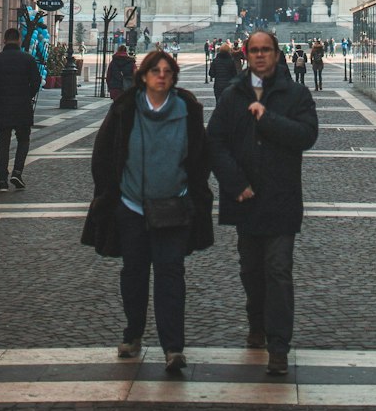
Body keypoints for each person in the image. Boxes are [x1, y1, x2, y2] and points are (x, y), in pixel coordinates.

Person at [88, 49, 213, 373]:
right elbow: (104, 154)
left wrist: (194, 195)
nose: (161, 76)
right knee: (134, 273)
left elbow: (200, 157)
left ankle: (173, 347)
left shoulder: (187, 110)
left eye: (167, 71)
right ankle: (133, 333)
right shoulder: (126, 109)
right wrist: (109, 196)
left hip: (173, 205)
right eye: (155, 70)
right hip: (131, 207)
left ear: (173, 78)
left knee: (171, 275)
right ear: (143, 76)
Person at [207, 29, 318, 377]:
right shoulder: (232, 96)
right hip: (246, 199)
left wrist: (266, 119)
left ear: (276, 54)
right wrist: (235, 184)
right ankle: (256, 322)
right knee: (251, 270)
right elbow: (214, 143)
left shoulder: (296, 94)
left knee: (279, 270)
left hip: (282, 198)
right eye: (253, 50)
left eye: (265, 50)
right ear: (246, 53)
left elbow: (307, 135)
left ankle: (279, 345)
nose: (259, 55)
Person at [0, 26, 42, 192]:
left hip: (2, 106)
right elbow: (37, 82)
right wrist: (27, 95)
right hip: (22, 106)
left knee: (3, 143)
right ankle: (17, 171)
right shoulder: (28, 60)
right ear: (19, 40)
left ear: (4, 40)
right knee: (23, 140)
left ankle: (2, 180)